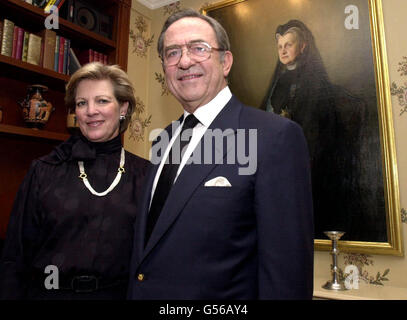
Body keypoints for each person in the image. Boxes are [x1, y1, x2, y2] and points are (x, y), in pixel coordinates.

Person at [128, 9, 314, 300]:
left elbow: (285, 276)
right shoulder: (163, 140)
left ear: (225, 61)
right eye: (172, 53)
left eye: (198, 48)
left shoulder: (275, 137)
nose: (185, 61)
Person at [0, 62, 149, 299]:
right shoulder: (46, 170)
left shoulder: (145, 175)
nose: (91, 111)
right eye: (82, 103)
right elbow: (15, 257)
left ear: (123, 107)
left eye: (102, 100)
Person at [263, 20, 367, 240]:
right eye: (280, 46)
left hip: (310, 163)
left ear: (303, 46)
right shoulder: (278, 84)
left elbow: (316, 133)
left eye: (288, 45)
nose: (283, 50)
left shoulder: (315, 84)